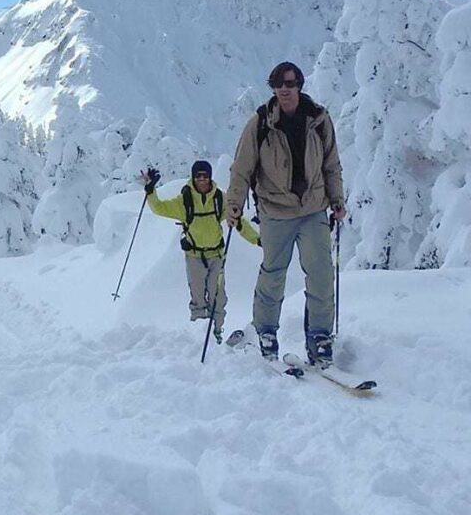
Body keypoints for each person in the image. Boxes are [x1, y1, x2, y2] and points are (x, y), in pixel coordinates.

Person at [224, 61, 345, 366]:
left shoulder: (318, 119)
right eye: (278, 85)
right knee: (273, 273)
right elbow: (242, 168)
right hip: (275, 211)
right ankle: (265, 331)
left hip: (313, 208)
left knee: (320, 273)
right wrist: (234, 203)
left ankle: (319, 336)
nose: (284, 89)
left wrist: (337, 199)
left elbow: (331, 164)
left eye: (290, 83)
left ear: (299, 85)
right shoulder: (261, 123)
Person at [139, 160, 258, 343]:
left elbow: (238, 221)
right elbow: (159, 208)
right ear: (193, 177)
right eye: (198, 176)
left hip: (217, 256)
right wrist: (150, 191)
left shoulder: (220, 198)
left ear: (210, 177)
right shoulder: (184, 201)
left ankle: (215, 336)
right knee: (198, 301)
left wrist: (256, 239)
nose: (201, 180)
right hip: (194, 257)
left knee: (218, 300)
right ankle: (201, 339)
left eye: (205, 176)